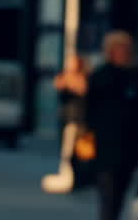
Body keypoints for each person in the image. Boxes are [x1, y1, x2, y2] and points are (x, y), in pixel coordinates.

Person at [85, 31, 138, 220]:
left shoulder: (135, 76)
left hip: (129, 149)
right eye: (118, 48)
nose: (122, 52)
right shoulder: (100, 76)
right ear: (110, 51)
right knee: (108, 196)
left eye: (125, 49)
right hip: (105, 147)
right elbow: (88, 112)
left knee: (120, 196)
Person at [53, 54, 89, 183]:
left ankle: (80, 177)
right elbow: (60, 94)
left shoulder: (83, 78)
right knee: (68, 150)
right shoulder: (65, 78)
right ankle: (72, 176)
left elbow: (84, 93)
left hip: (78, 120)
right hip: (68, 118)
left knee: (79, 151)